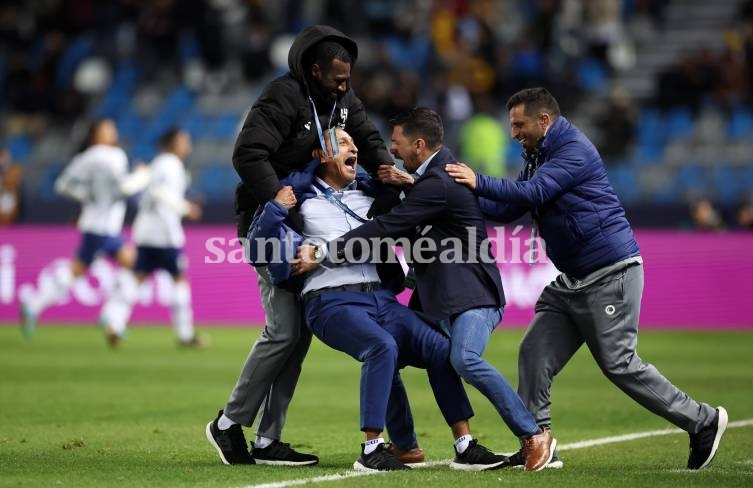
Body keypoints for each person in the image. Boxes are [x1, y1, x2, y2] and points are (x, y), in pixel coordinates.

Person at [445, 87, 727, 470]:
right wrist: (457, 200)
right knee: (534, 353)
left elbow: (533, 192)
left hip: (611, 272)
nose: (514, 133)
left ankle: (703, 421)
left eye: (519, 124)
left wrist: (477, 181)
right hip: (574, 280)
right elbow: (511, 208)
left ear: (544, 120)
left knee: (619, 363)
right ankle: (538, 441)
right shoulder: (538, 152)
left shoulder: (573, 148)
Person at [297, 108, 556, 471]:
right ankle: (418, 446)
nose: (392, 150)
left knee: (461, 358)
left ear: (419, 145)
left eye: (398, 143)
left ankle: (533, 435)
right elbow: (398, 229)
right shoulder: (430, 181)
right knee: (399, 351)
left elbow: (389, 227)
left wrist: (324, 251)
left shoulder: (438, 183)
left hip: (471, 295)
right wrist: (406, 186)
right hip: (441, 298)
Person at [246, 128, 510, 471]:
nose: (352, 147)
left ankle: (465, 444)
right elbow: (255, 246)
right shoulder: (298, 199)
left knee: (441, 349)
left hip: (381, 300)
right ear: (319, 156)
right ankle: (371, 448)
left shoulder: (373, 197)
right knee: (381, 347)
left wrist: (405, 185)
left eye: (353, 143)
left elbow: (417, 220)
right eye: (342, 143)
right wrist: (275, 208)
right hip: (330, 302)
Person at [205, 24, 399, 466]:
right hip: (271, 225)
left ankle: (268, 439)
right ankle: (228, 424)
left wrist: (385, 167)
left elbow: (368, 140)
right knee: (284, 330)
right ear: (314, 71)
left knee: (299, 336)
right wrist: (277, 198)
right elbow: (248, 153)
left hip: (308, 228)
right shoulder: (282, 97)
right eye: (337, 78)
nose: (346, 86)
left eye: (349, 77)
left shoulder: (344, 102)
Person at [19, 119, 141, 342]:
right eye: (108, 129)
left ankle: (34, 305)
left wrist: (87, 197)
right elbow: (125, 188)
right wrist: (144, 176)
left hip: (96, 225)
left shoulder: (85, 158)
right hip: (103, 228)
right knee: (134, 266)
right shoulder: (113, 156)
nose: (113, 132)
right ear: (96, 135)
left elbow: (62, 185)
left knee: (77, 270)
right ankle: (111, 318)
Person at [99, 128, 203, 348]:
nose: (188, 145)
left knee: (136, 278)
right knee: (179, 280)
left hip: (145, 233)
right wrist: (186, 208)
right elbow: (161, 193)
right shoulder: (172, 165)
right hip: (165, 235)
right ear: (174, 143)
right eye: (184, 140)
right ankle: (185, 335)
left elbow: (146, 188)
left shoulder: (157, 164)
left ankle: (115, 324)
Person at [0, 146, 24, 224]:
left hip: (11, 201)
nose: (3, 160)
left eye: (4, 156)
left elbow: (15, 183)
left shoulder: (15, 170)